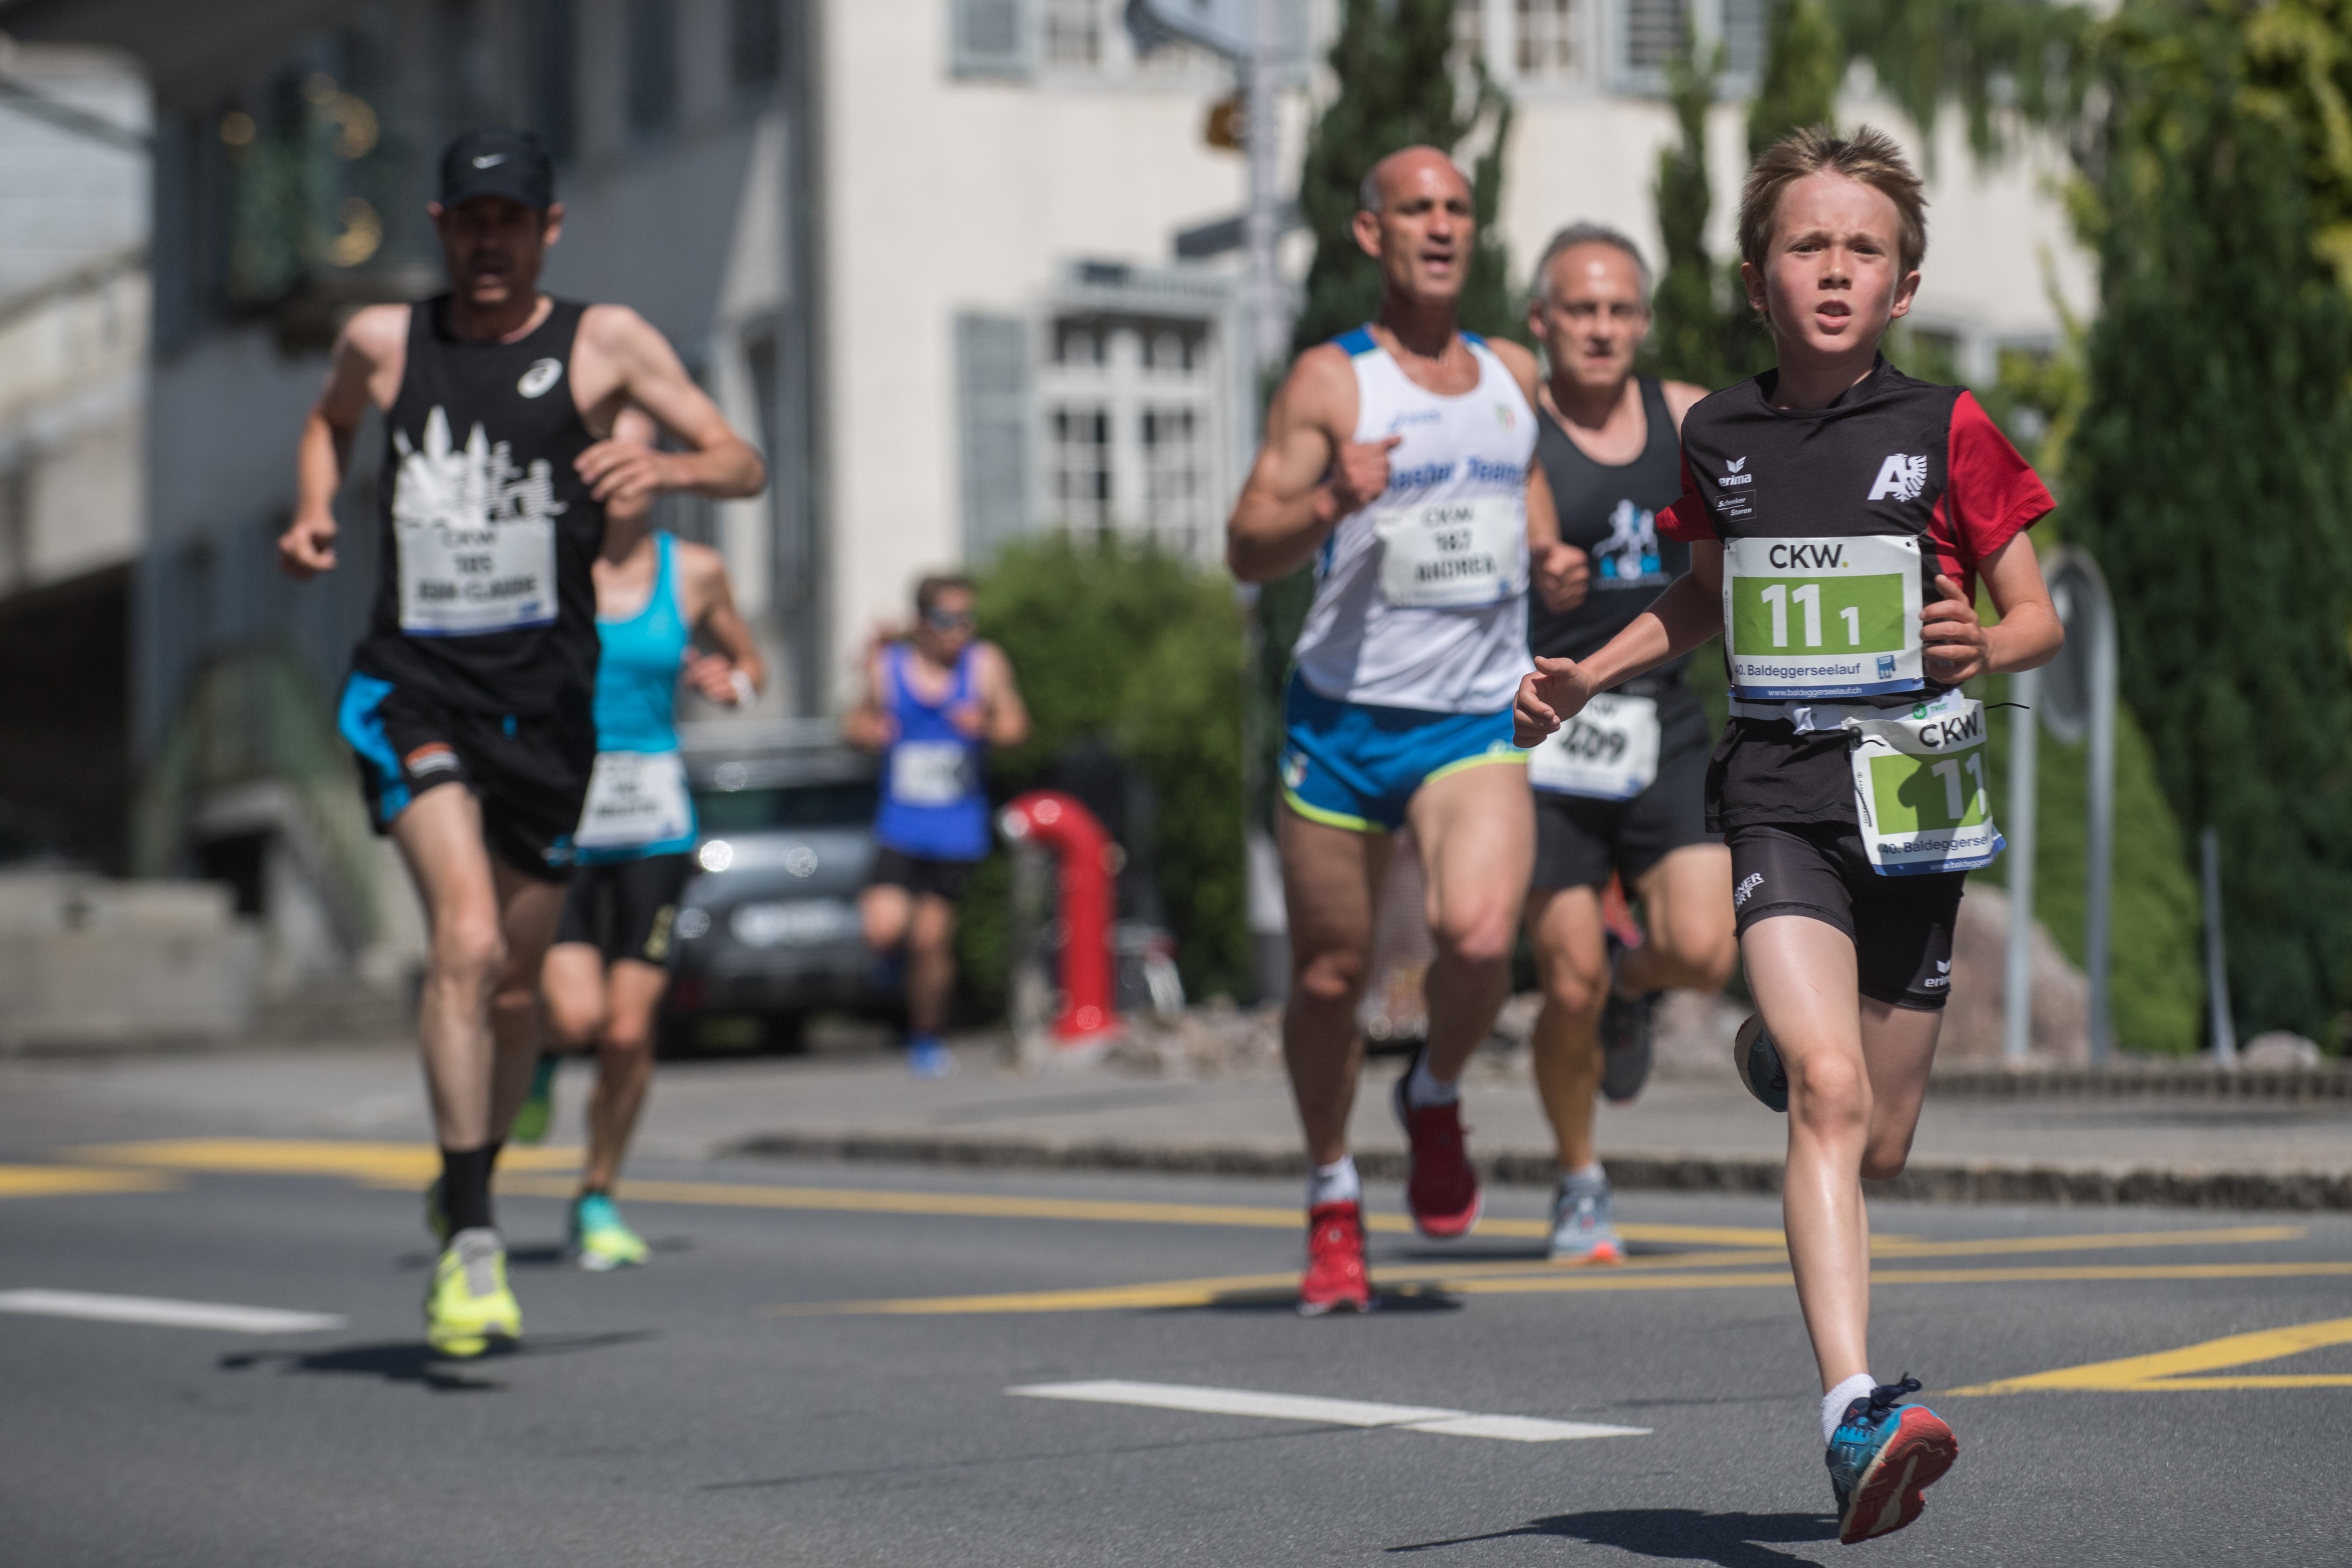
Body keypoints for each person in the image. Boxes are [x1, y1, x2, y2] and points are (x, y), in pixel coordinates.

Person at [1514, 126, 2060, 1541]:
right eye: (1807, 246)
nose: (1834, 268)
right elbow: (1705, 601)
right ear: (1759, 280)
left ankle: (1774, 1047)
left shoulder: (1951, 428)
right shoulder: (1721, 435)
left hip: (1917, 811)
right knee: (1830, 1093)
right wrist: (1590, 672)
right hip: (1779, 799)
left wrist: (1978, 646)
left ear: (1905, 281)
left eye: (1861, 248)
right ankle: (1851, 1416)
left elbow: (2038, 613)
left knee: (1878, 1142)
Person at [277, 129, 766, 1356]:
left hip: (550, 712)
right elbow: (326, 423)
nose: (489, 242)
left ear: (548, 230)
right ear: (440, 225)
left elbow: (741, 462)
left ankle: (469, 1176)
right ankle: (477, 1241)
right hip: (414, 687)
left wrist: (659, 458)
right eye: (470, 220)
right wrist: (313, 511)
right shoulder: (391, 342)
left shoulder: (606, 343)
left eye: (513, 221)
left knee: (515, 996)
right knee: (471, 939)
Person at [1226, 146, 1571, 1315]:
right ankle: (1332, 1190)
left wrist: (1552, 551)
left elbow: (1524, 493)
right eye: (1415, 209)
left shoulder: (1512, 371)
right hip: (1343, 719)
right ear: (1370, 234)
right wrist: (1329, 501)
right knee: (1330, 977)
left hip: (1473, 715)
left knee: (1478, 938)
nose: (1439, 226)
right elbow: (1245, 545)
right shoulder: (1331, 382)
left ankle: (1433, 1089)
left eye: (1457, 209)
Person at [1517, 224, 1737, 1264]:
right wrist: (1532, 565)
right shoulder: (1512, 427)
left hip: (1658, 714)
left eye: (1617, 310)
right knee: (1561, 979)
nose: (1599, 329)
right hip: (1538, 730)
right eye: (1578, 310)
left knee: (1702, 947)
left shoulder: (1688, 417)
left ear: (1641, 322)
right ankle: (1577, 1182)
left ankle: (1630, 991)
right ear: (1540, 323)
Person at [516, 405, 766, 1269]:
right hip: (564, 822)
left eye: (640, 448)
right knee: (579, 1013)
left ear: (661, 465)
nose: (624, 465)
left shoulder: (694, 571)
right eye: (604, 449)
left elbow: (748, 665)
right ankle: (545, 1056)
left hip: (656, 826)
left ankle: (596, 1195)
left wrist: (728, 683)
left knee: (628, 1033)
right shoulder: (546, 569)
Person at [844, 575, 1030, 1077]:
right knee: (883, 929)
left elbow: (1017, 725)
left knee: (930, 941)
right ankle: (892, 973)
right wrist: (873, 732)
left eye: (968, 619)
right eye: (949, 619)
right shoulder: (890, 667)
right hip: (901, 821)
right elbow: (853, 726)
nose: (960, 630)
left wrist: (986, 727)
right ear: (923, 622)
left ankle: (926, 1037)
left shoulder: (985, 665)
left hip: (956, 824)